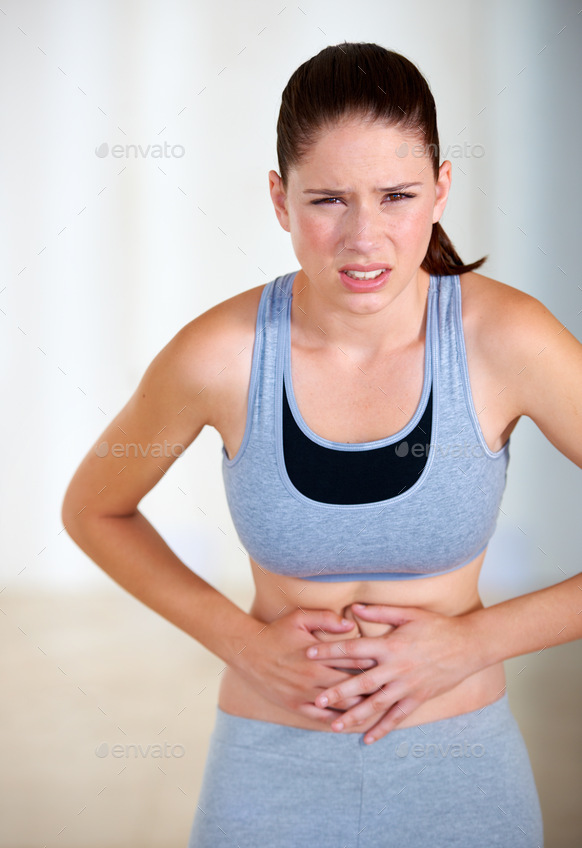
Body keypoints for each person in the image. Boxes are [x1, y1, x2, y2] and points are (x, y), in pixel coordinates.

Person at [61, 41, 582, 847]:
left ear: (443, 188)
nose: (363, 238)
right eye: (328, 200)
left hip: (462, 777)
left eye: (398, 195)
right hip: (268, 776)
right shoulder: (219, 354)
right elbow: (95, 510)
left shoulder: (507, 340)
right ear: (279, 198)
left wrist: (473, 642)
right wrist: (240, 640)